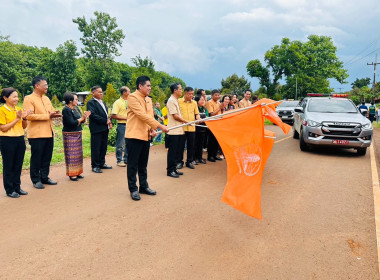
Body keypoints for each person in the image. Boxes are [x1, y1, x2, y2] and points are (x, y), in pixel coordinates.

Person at [126, 76, 168, 201]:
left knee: (143, 164)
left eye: (150, 86)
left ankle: (143, 186)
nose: (150, 88)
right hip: (134, 136)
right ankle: (133, 189)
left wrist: (152, 129)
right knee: (133, 164)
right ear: (140, 86)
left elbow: (149, 117)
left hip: (145, 136)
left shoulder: (149, 100)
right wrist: (160, 126)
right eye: (148, 86)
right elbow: (141, 115)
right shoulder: (132, 97)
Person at [23, 76, 62, 189]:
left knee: (47, 157)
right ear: (37, 86)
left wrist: (55, 113)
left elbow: (51, 111)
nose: (47, 87)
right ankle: (36, 179)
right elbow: (29, 116)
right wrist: (47, 116)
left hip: (49, 132)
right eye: (45, 85)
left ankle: (44, 177)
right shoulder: (28, 98)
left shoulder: (46, 99)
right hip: (37, 134)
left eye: (47, 85)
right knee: (37, 157)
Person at [0, 88, 32, 198]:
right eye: (13, 96)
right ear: (5, 98)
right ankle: (9, 189)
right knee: (9, 165)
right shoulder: (2, 110)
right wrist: (17, 119)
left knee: (18, 165)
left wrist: (24, 118)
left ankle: (17, 187)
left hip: (19, 139)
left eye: (17, 96)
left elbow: (23, 127)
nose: (16, 99)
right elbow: (3, 128)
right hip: (7, 140)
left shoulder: (18, 109)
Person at [62, 92, 91, 181]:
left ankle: (77, 172)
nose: (77, 101)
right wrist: (81, 118)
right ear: (70, 101)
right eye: (76, 99)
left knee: (78, 154)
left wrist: (85, 117)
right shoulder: (66, 110)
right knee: (71, 154)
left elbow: (80, 120)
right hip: (69, 135)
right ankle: (72, 174)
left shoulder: (76, 108)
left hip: (78, 133)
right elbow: (71, 123)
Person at [87, 86, 113, 173]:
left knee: (103, 147)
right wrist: (105, 121)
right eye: (99, 92)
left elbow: (106, 115)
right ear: (93, 93)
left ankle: (102, 163)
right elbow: (93, 115)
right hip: (97, 129)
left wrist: (109, 122)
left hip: (105, 128)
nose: (101, 93)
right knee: (96, 148)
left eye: (102, 92)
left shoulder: (103, 102)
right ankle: (95, 165)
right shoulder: (91, 103)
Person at [167, 83, 188, 178]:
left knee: (177, 151)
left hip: (179, 129)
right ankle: (170, 170)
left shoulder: (175, 100)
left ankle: (174, 168)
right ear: (175, 90)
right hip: (174, 130)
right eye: (180, 89)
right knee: (172, 151)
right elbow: (175, 116)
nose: (181, 90)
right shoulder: (171, 100)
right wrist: (185, 121)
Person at [178, 87, 200, 169]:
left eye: (192, 94)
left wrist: (198, 118)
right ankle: (179, 162)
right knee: (180, 146)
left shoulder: (194, 102)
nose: (192, 95)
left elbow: (197, 113)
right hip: (182, 128)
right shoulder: (179, 101)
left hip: (192, 127)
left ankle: (189, 161)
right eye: (190, 94)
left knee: (191, 146)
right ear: (185, 93)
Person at [111, 86, 130, 167]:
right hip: (122, 125)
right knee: (120, 143)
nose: (130, 92)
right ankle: (119, 160)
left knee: (129, 143)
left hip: (130, 125)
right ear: (124, 92)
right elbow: (114, 115)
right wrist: (126, 118)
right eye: (129, 91)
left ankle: (126, 159)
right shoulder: (117, 102)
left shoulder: (130, 101)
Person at [205, 89, 224, 162]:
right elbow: (211, 114)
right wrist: (219, 108)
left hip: (219, 123)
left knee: (217, 141)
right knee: (211, 141)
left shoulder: (219, 103)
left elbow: (221, 113)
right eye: (215, 95)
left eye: (218, 95)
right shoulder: (209, 103)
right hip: (213, 124)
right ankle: (210, 156)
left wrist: (221, 109)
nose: (217, 96)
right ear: (212, 96)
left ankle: (215, 155)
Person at [194, 96, 209, 164]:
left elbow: (207, 116)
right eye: (201, 100)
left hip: (203, 129)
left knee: (201, 144)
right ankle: (195, 158)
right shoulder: (195, 109)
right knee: (195, 144)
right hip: (196, 129)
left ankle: (200, 157)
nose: (203, 101)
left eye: (204, 100)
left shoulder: (204, 109)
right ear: (197, 101)